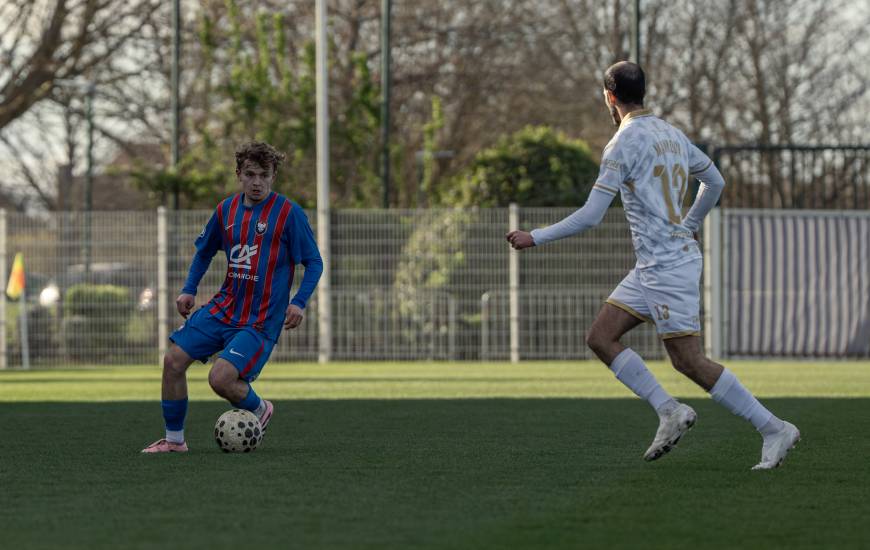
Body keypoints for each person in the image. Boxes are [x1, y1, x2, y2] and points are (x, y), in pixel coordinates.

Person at [506, 62, 799, 470]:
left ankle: (773, 427)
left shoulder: (622, 144)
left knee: (688, 361)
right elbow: (714, 182)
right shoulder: (670, 133)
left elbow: (592, 216)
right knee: (601, 337)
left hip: (668, 267)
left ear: (609, 97)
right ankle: (669, 411)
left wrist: (535, 236)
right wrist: (690, 224)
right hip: (654, 265)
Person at [143, 141, 323, 453]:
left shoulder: (288, 213)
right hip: (225, 308)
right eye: (250, 174)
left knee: (221, 379)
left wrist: (299, 301)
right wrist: (189, 289)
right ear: (238, 174)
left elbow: (314, 262)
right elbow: (204, 252)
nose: (257, 182)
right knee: (173, 361)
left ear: (273, 176)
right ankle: (174, 442)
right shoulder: (225, 210)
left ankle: (259, 408)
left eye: (263, 175)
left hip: (260, 320)